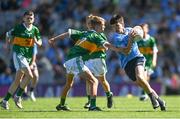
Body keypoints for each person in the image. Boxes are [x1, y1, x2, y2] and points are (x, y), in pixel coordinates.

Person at [48, 15, 110, 111]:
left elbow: (67, 34)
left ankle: (61, 104)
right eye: (102, 25)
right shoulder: (92, 35)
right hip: (76, 59)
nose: (103, 27)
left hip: (69, 59)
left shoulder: (85, 33)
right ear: (96, 26)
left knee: (69, 84)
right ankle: (92, 106)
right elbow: (105, 47)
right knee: (94, 81)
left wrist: (54, 39)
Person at [109, 14, 166, 111]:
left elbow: (140, 34)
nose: (115, 28)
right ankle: (160, 100)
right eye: (113, 27)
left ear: (122, 23)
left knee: (140, 77)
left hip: (137, 58)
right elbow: (126, 51)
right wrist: (131, 39)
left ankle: (152, 99)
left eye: (117, 25)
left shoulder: (130, 30)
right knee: (142, 84)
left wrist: (139, 33)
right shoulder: (115, 38)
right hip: (126, 64)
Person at [0, 11, 42, 110]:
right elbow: (8, 34)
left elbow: (40, 42)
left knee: (17, 80)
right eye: (27, 18)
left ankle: (5, 101)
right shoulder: (19, 28)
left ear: (34, 19)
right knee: (30, 75)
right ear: (23, 18)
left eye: (31, 18)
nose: (29, 19)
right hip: (19, 54)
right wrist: (7, 44)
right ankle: (18, 96)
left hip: (28, 56)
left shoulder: (35, 30)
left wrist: (37, 42)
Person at [83, 15, 113, 109]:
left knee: (102, 80)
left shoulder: (101, 35)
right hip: (88, 60)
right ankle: (90, 101)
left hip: (99, 59)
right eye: (88, 23)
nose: (89, 25)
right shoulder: (87, 35)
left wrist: (99, 46)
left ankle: (109, 95)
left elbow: (106, 48)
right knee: (89, 80)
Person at [137, 23, 158, 101]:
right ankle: (144, 93)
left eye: (144, 28)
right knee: (143, 77)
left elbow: (155, 51)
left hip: (148, 61)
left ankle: (144, 93)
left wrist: (154, 60)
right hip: (141, 61)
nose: (143, 30)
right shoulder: (138, 40)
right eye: (141, 28)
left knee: (146, 77)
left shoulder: (151, 39)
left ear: (147, 29)